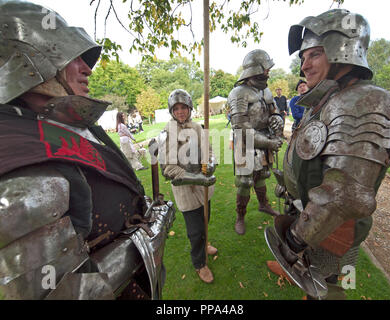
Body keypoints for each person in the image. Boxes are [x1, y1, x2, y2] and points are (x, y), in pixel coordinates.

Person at [0, 1, 175, 300]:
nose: (87, 69)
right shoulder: (21, 156)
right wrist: (151, 231)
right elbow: (65, 292)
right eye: (71, 57)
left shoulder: (73, 125)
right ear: (25, 64)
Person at [265, 9, 390, 300]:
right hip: (312, 215)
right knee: (315, 275)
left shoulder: (362, 101)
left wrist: (293, 240)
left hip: (335, 229)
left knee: (334, 285)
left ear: (342, 51)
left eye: (312, 55)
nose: (304, 66)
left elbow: (345, 195)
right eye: (302, 58)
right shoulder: (330, 97)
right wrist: (291, 185)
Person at [158, 89, 218, 283]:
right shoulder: (168, 133)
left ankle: (206, 242)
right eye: (176, 108)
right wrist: (195, 177)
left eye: (184, 107)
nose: (180, 111)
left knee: (206, 219)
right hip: (185, 188)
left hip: (203, 185)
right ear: (171, 111)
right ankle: (199, 263)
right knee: (195, 231)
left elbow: (208, 150)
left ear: (190, 108)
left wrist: (211, 163)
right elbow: (168, 168)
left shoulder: (197, 127)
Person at [227, 49, 284, 235]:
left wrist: (277, 121)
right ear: (256, 70)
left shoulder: (266, 91)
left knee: (262, 175)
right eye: (266, 69)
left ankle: (263, 204)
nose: (268, 72)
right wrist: (268, 143)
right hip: (246, 143)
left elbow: (273, 113)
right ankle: (240, 216)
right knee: (245, 181)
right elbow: (241, 128)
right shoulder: (239, 93)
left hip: (264, 137)